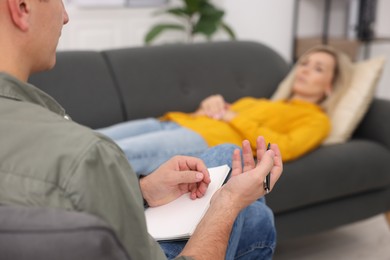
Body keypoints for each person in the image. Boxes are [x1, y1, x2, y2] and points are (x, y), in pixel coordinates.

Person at [0, 1, 283, 260]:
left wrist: (142, 190)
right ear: (22, 7)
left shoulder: (304, 112)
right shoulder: (88, 153)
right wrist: (229, 201)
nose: (65, 17)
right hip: (181, 123)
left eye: (319, 68)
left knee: (251, 204)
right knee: (252, 210)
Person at [97, 45, 353, 175]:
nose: (305, 69)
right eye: (305, 63)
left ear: (330, 86)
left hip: (206, 140)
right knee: (90, 136)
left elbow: (283, 147)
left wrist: (232, 116)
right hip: (175, 122)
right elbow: (219, 116)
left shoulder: (317, 121)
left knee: (115, 154)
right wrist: (209, 106)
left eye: (318, 68)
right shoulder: (268, 102)